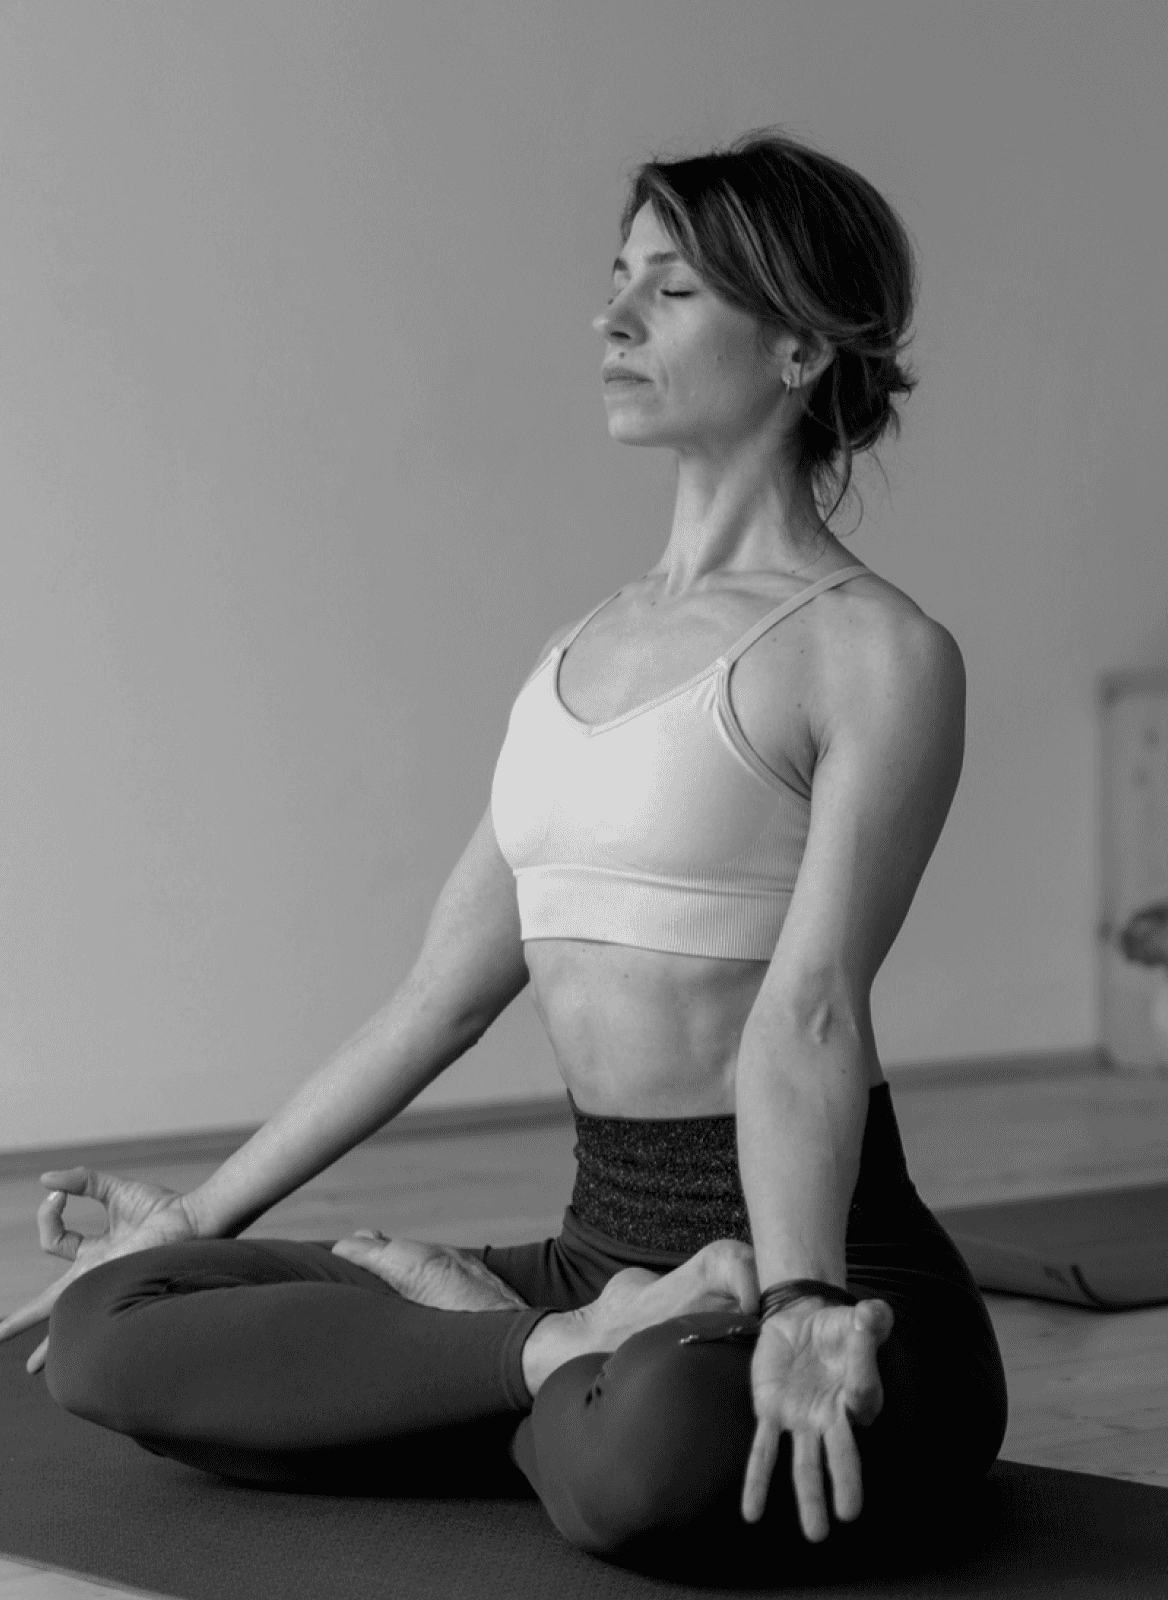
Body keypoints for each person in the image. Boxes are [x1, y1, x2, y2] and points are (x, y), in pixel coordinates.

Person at [0, 127, 1007, 1580]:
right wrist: (197, 1218)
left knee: (655, 1453)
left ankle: (498, 1363)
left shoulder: (874, 653)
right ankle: (543, 1352)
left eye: (671, 291)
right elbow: (436, 1003)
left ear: (799, 347)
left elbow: (809, 1012)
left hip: (828, 1272)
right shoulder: (572, 657)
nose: (613, 318)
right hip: (600, 1271)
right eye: (617, 279)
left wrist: (796, 1301)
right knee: (114, 1322)